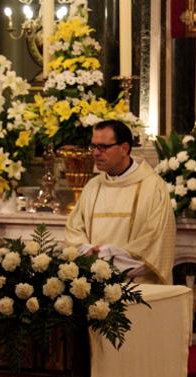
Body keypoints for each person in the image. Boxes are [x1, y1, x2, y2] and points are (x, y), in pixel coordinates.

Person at [65, 120, 176, 284]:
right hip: (93, 286)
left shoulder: (153, 187)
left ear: (124, 148)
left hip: (138, 288)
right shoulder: (92, 187)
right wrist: (88, 252)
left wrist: (107, 256)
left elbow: (155, 244)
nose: (95, 153)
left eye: (102, 147)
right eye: (93, 146)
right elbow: (74, 230)